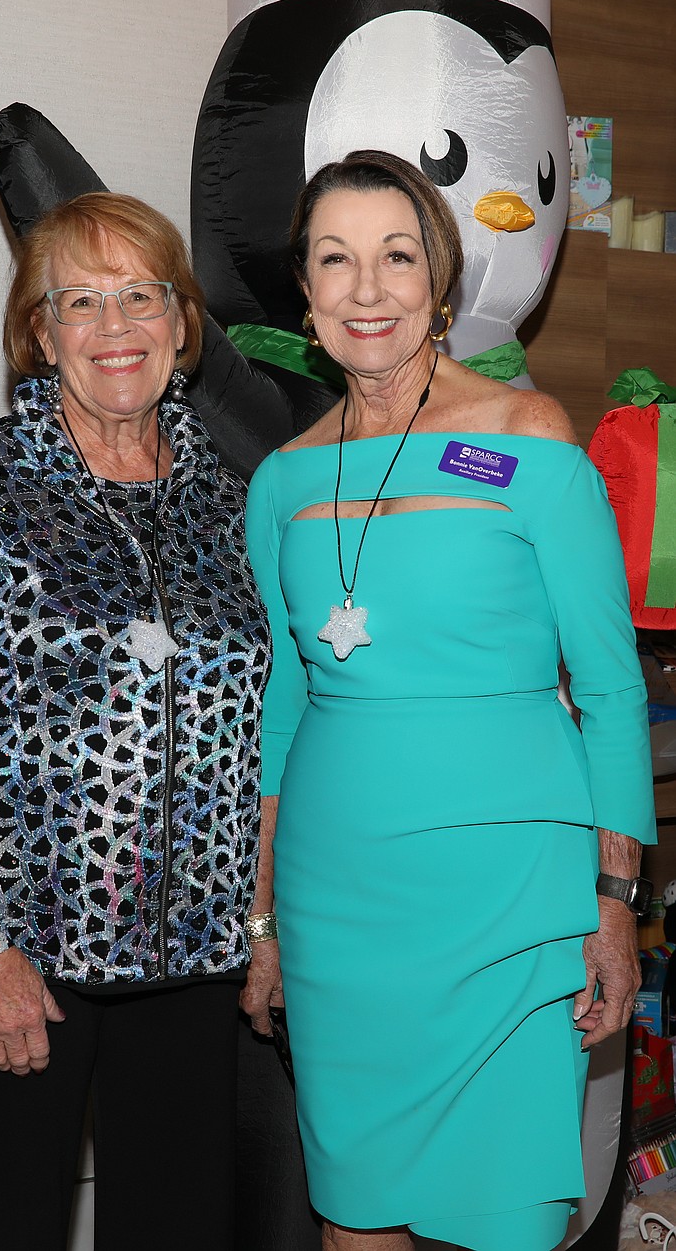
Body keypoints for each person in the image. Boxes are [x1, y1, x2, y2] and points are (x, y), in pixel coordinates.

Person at [242, 150, 656, 1251]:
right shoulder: (280, 481)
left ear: (440, 279)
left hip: (512, 904)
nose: (366, 289)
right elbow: (283, 706)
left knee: (507, 1223)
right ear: (305, 291)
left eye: (395, 257)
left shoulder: (525, 441)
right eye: (336, 260)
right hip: (338, 915)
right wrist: (265, 921)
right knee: (353, 1222)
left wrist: (615, 899)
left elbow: (612, 686)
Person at [0, 190, 274, 1251]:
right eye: (81, 301)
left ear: (182, 323)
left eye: (141, 295)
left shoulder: (235, 500)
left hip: (198, 971)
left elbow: (273, 731)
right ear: (42, 333)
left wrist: (264, 926)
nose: (116, 326)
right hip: (20, 966)